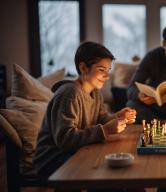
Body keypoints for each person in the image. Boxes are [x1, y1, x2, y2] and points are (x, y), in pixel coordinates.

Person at [34, 41, 137, 179]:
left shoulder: (95, 93)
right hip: (53, 159)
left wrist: (118, 116)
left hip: (77, 151)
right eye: (101, 70)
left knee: (118, 167)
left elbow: (101, 119)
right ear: (83, 68)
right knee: (106, 169)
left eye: (108, 70)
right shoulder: (69, 94)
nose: (107, 76)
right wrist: (106, 130)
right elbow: (65, 139)